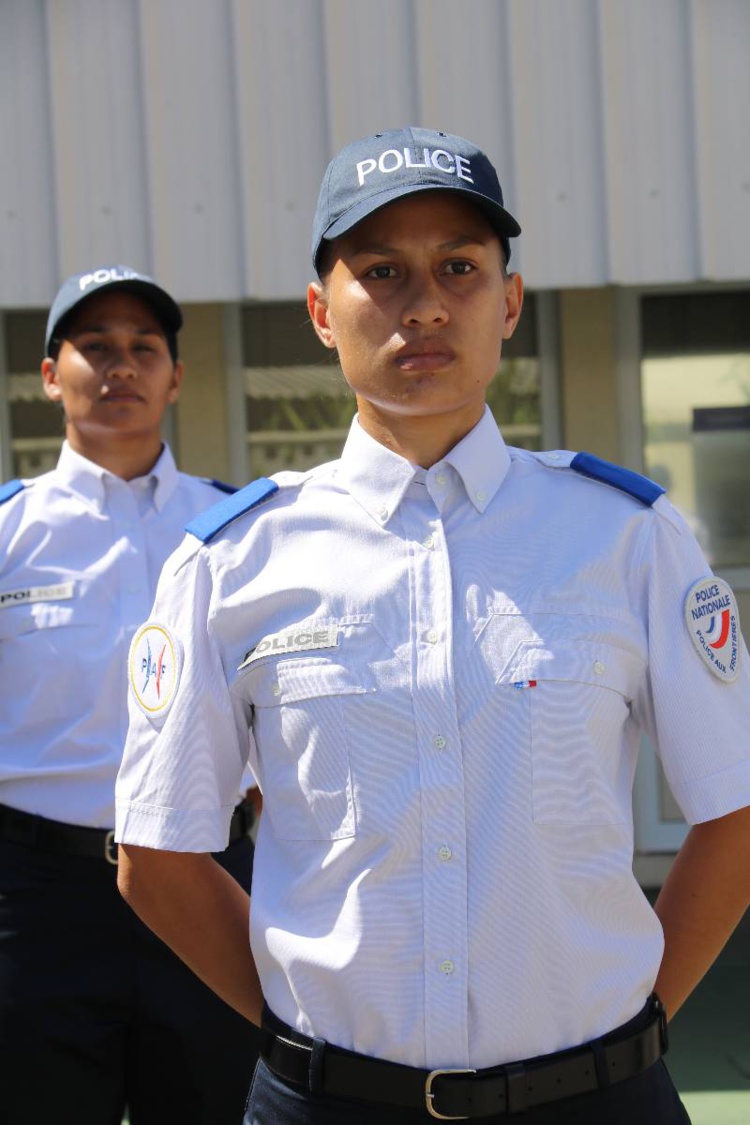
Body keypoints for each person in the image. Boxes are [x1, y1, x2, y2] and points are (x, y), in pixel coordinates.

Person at [115, 129, 750, 1124]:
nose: (424, 304)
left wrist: (643, 1014)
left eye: (460, 266)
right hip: (330, 1104)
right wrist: (295, 1028)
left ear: (510, 301)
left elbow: (737, 808)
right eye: (381, 272)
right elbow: (155, 856)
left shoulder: (626, 537)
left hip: (598, 1098)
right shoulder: (231, 563)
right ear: (323, 313)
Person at [0, 265, 259, 1125]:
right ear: (49, 375)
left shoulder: (238, 528)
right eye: (95, 347)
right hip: (37, 901)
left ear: (176, 377)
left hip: (208, 876)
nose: (122, 366)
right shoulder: (7, 532)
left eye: (144, 348)